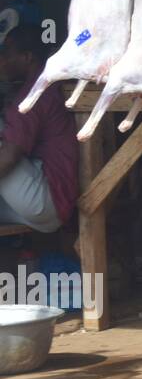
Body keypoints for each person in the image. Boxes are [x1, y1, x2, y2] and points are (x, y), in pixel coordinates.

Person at [0, 25, 77, 233]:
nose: (2, 61)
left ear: (27, 57)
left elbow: (8, 157)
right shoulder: (48, 84)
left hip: (45, 198)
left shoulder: (34, 93)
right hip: (53, 211)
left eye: (6, 53)